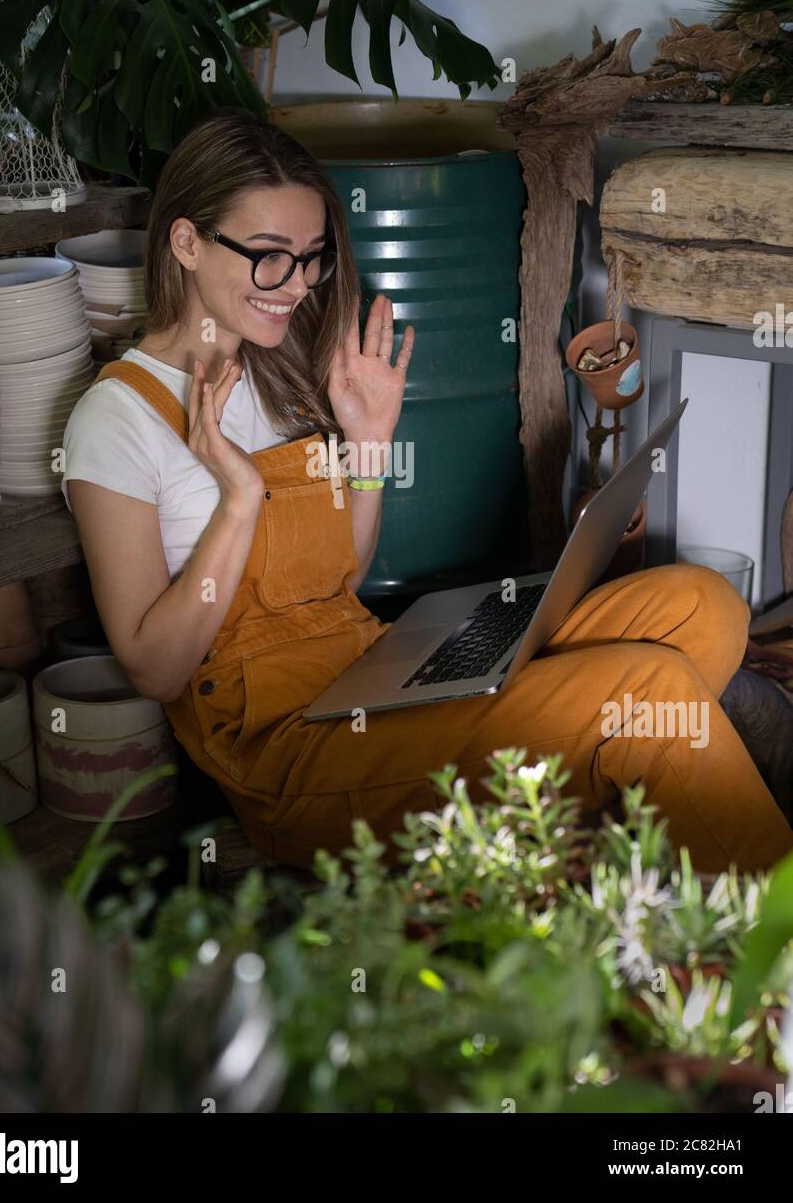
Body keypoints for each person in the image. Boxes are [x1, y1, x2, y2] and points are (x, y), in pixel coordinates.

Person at [63, 109, 793, 875]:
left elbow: (340, 574)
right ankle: (766, 938)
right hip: (293, 749)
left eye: (311, 258)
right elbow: (153, 669)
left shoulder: (277, 371)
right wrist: (239, 502)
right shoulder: (116, 418)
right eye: (269, 258)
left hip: (374, 664)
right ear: (186, 242)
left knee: (702, 608)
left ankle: (606, 802)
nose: (297, 286)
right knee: (648, 690)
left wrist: (369, 444)